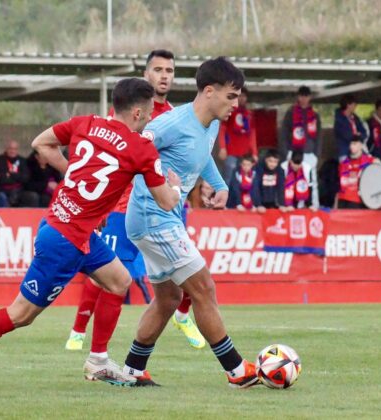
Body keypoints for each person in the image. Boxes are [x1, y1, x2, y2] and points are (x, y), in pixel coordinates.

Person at [0, 77, 182, 389]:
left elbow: (41, 143)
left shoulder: (86, 123)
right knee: (20, 314)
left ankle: (98, 361)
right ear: (137, 113)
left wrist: (76, 177)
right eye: (150, 112)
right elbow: (166, 202)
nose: (151, 117)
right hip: (66, 240)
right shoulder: (141, 148)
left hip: (64, 227)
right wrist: (176, 187)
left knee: (119, 281)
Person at [111, 57, 259, 389]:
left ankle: (132, 370)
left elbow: (202, 156)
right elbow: (132, 148)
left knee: (169, 298)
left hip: (162, 217)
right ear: (209, 91)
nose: (236, 104)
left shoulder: (213, 123)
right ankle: (237, 371)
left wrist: (219, 185)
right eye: (231, 96)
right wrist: (158, 177)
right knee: (204, 287)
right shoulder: (171, 124)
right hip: (153, 216)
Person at [65, 49, 206, 356]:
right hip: (122, 206)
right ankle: (80, 330)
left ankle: (182, 315)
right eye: (158, 70)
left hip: (165, 204)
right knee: (108, 272)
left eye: (169, 70)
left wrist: (205, 184)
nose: (164, 75)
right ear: (146, 75)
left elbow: (192, 153)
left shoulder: (177, 116)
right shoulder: (129, 111)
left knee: (192, 268)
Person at [217, 87, 257, 183]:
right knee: (228, 179)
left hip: (245, 154)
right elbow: (222, 130)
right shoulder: (229, 111)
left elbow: (252, 134)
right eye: (239, 96)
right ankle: (226, 198)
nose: (241, 98)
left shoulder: (249, 114)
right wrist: (222, 147)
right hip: (231, 152)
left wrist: (254, 153)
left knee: (244, 180)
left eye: (244, 96)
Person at [280, 85, 322, 169]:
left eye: (306, 96)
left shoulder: (314, 115)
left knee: (310, 180)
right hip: (293, 152)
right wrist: (286, 152)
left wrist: (316, 154)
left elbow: (319, 136)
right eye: (301, 96)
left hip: (310, 153)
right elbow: (284, 134)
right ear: (298, 97)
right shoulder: (290, 113)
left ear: (310, 97)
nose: (304, 99)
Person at [0, 140, 39, 207]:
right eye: (10, 148)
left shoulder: (22, 160)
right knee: (2, 197)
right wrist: (18, 176)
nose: (12, 151)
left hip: (19, 190)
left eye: (15, 149)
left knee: (33, 196)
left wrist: (11, 174)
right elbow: (2, 179)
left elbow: (26, 179)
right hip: (4, 190)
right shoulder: (0, 160)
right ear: (6, 149)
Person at [336, 138, 375, 209]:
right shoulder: (344, 163)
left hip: (361, 199)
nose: (351, 146)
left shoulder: (370, 161)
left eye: (354, 144)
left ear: (361, 145)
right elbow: (341, 183)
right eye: (351, 144)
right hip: (344, 199)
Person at [334, 94, 367, 161]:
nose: (355, 106)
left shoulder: (355, 118)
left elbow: (364, 133)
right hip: (344, 151)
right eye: (354, 104)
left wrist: (359, 135)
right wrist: (357, 136)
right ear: (348, 105)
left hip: (357, 152)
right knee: (346, 170)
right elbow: (346, 135)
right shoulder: (339, 119)